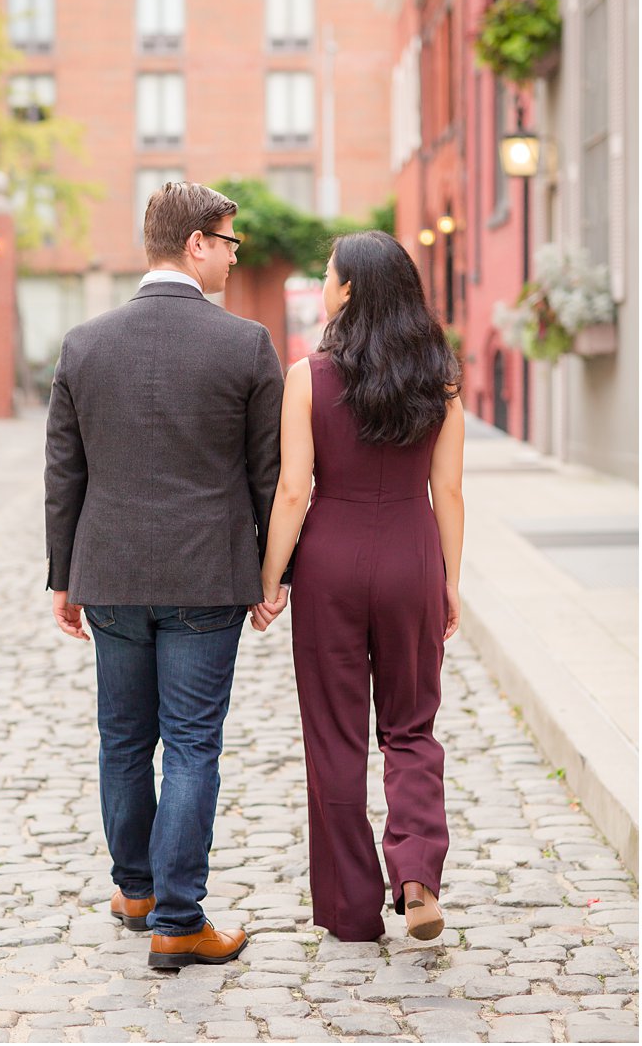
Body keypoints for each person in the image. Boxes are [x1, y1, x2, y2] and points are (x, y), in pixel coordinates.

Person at [44, 181, 285, 969]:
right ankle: (178, 919)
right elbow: (268, 476)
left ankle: (138, 889)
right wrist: (274, 572)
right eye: (228, 241)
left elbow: (63, 475)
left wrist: (61, 575)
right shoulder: (246, 344)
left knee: (122, 737)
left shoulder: (83, 344)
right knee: (188, 745)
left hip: (108, 572)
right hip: (207, 577)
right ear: (196, 244)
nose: (232, 254)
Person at [252, 229, 464, 943]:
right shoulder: (439, 375)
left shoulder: (309, 375)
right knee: (411, 726)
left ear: (350, 291)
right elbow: (450, 492)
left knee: (334, 737)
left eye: (328, 274)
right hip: (411, 551)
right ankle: (417, 877)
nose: (322, 282)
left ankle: (348, 910)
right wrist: (450, 582)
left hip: (331, 560)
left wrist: (270, 579)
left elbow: (291, 489)